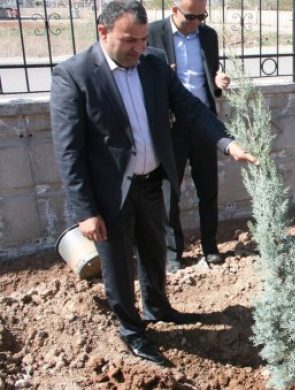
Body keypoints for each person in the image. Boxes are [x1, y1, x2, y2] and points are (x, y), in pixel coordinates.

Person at [50, 0, 257, 366]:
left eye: (144, 39)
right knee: (118, 266)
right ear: (103, 32)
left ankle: (157, 308)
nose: (139, 48)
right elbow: (69, 152)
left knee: (154, 252)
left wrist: (227, 142)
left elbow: (191, 107)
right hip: (110, 195)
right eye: (130, 40)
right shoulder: (75, 74)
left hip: (151, 182)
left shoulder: (154, 63)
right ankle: (132, 332)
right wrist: (85, 211)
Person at [148, 0, 229, 273]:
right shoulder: (152, 34)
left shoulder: (208, 35)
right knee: (170, 192)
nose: (197, 22)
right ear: (174, 11)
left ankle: (210, 246)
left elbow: (210, 78)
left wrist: (218, 84)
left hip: (203, 121)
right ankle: (173, 253)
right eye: (191, 16)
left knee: (209, 188)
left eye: (202, 16)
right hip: (171, 126)